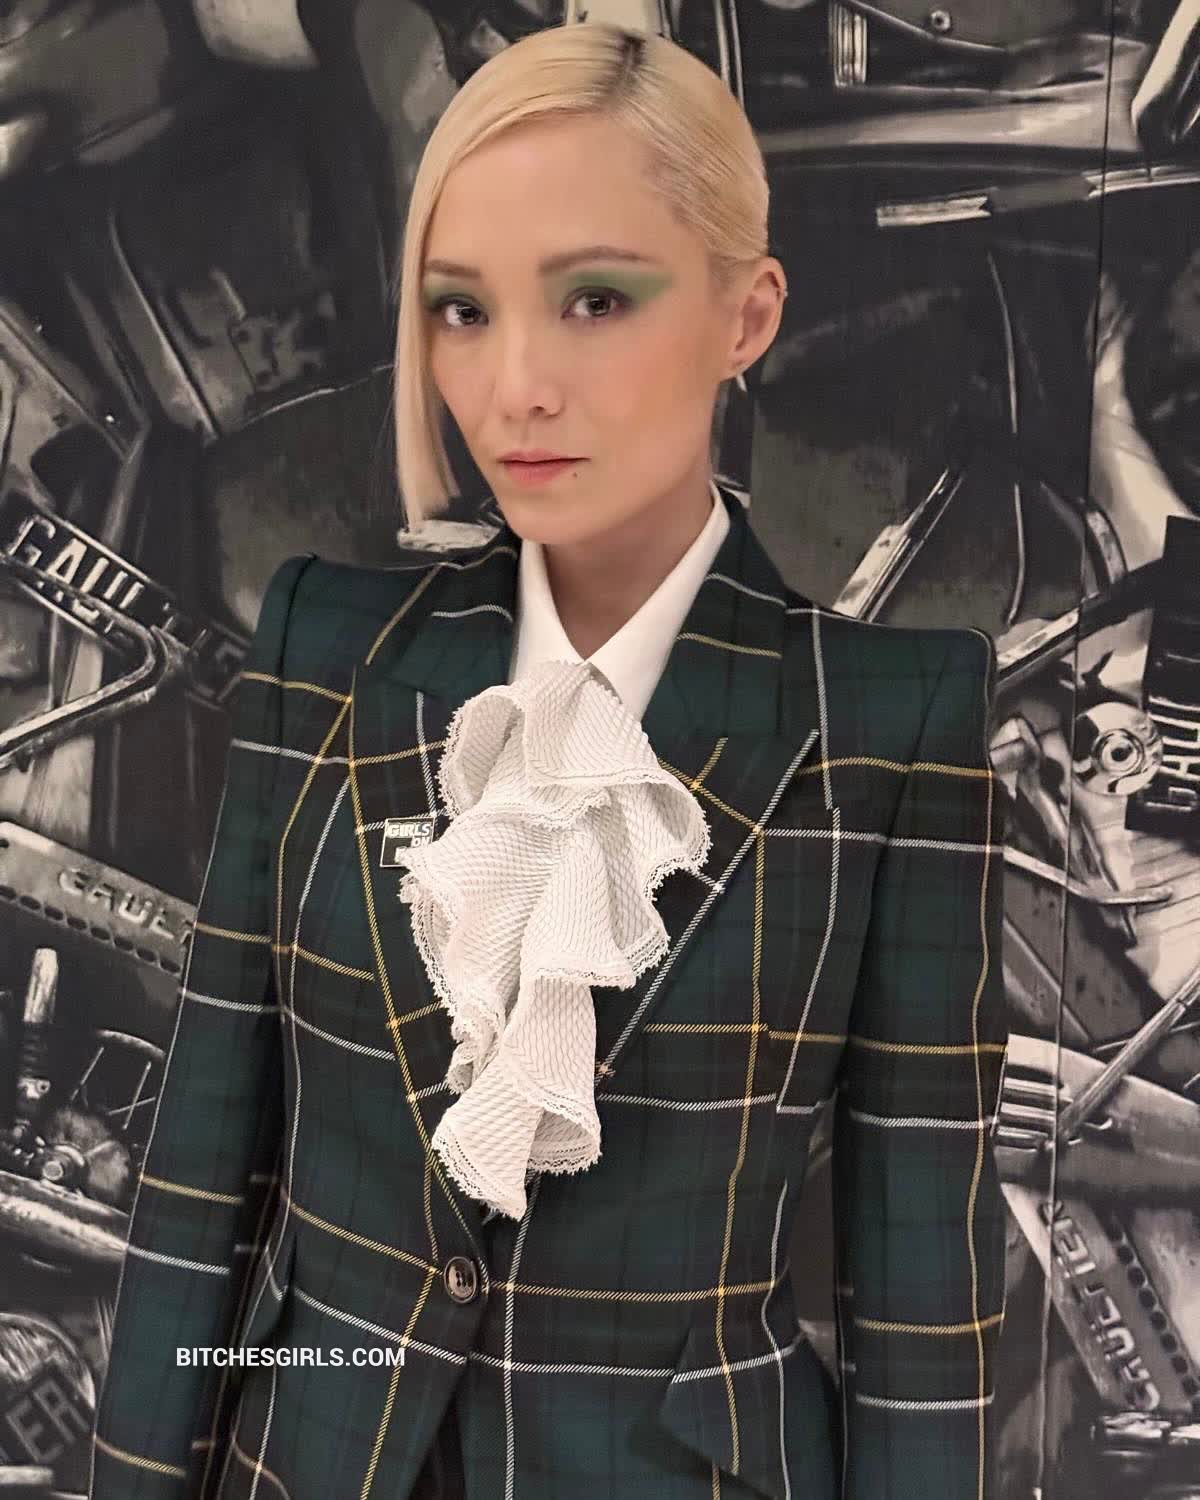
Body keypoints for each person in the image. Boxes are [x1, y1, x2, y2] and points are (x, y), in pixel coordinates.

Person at [88, 20, 1008, 1500]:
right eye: (462, 309)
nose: (516, 383)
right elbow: (201, 1193)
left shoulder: (894, 722)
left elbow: (919, 1310)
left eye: (593, 300)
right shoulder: (323, 647)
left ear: (746, 316)